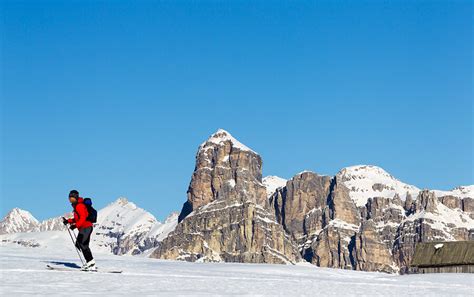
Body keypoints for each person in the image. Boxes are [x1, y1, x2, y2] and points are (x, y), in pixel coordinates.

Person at [62, 189, 96, 271]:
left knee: (82, 244)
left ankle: (91, 262)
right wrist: (68, 221)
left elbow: (83, 217)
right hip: (84, 228)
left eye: (72, 197)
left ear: (76, 197)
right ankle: (90, 263)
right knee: (80, 244)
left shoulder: (79, 206)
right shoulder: (77, 205)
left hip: (86, 227)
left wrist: (75, 226)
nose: (70, 199)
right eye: (69, 197)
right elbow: (78, 218)